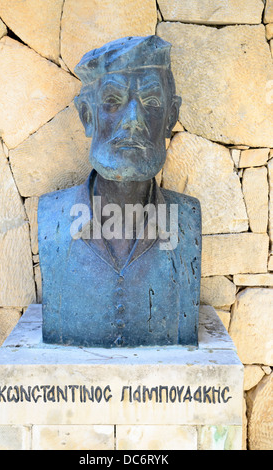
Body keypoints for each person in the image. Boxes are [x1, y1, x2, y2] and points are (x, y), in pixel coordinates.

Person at [38, 36, 201, 347]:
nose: (132, 121)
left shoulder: (186, 220)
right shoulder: (53, 217)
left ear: (171, 117)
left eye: (151, 102)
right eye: (113, 99)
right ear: (87, 115)